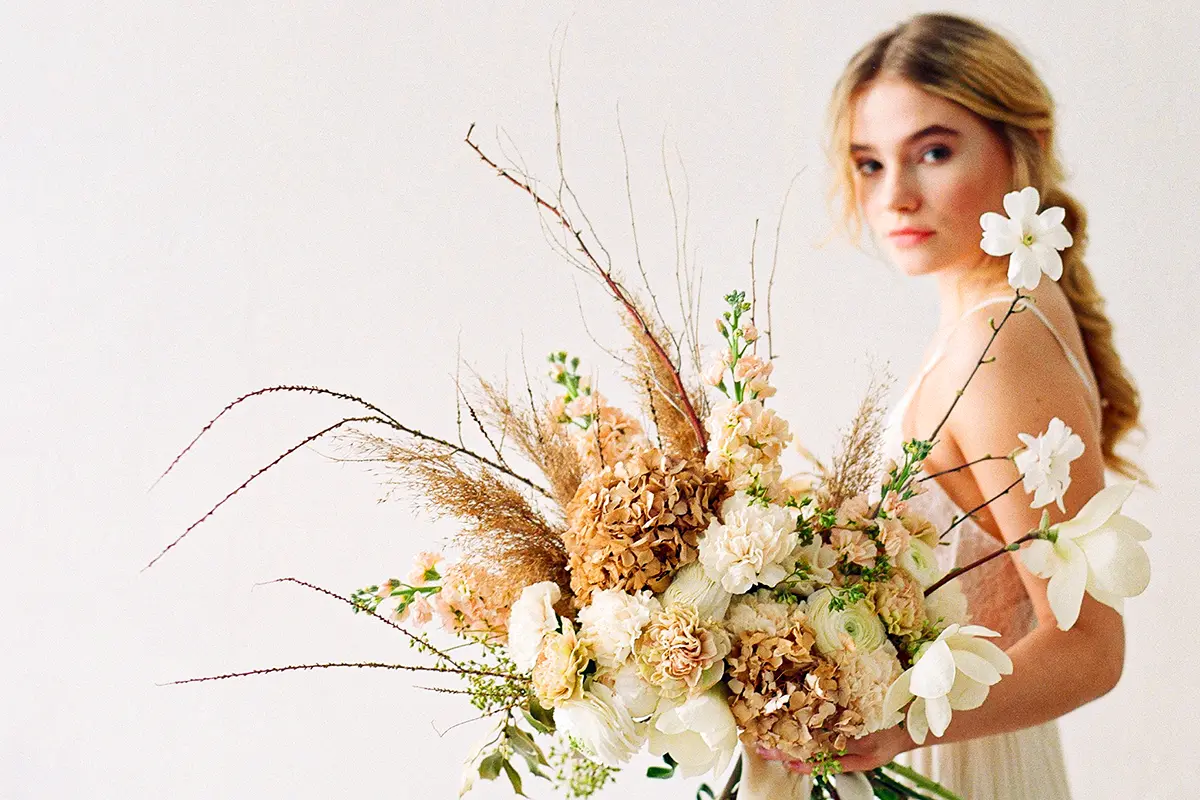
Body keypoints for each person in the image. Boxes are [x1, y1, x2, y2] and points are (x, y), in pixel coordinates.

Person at [743, 12, 1145, 799]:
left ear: (1019, 141)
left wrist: (898, 725)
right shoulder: (991, 320)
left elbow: (1090, 646)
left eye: (932, 152)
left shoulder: (1000, 344)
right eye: (867, 163)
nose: (894, 196)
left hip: (957, 769)